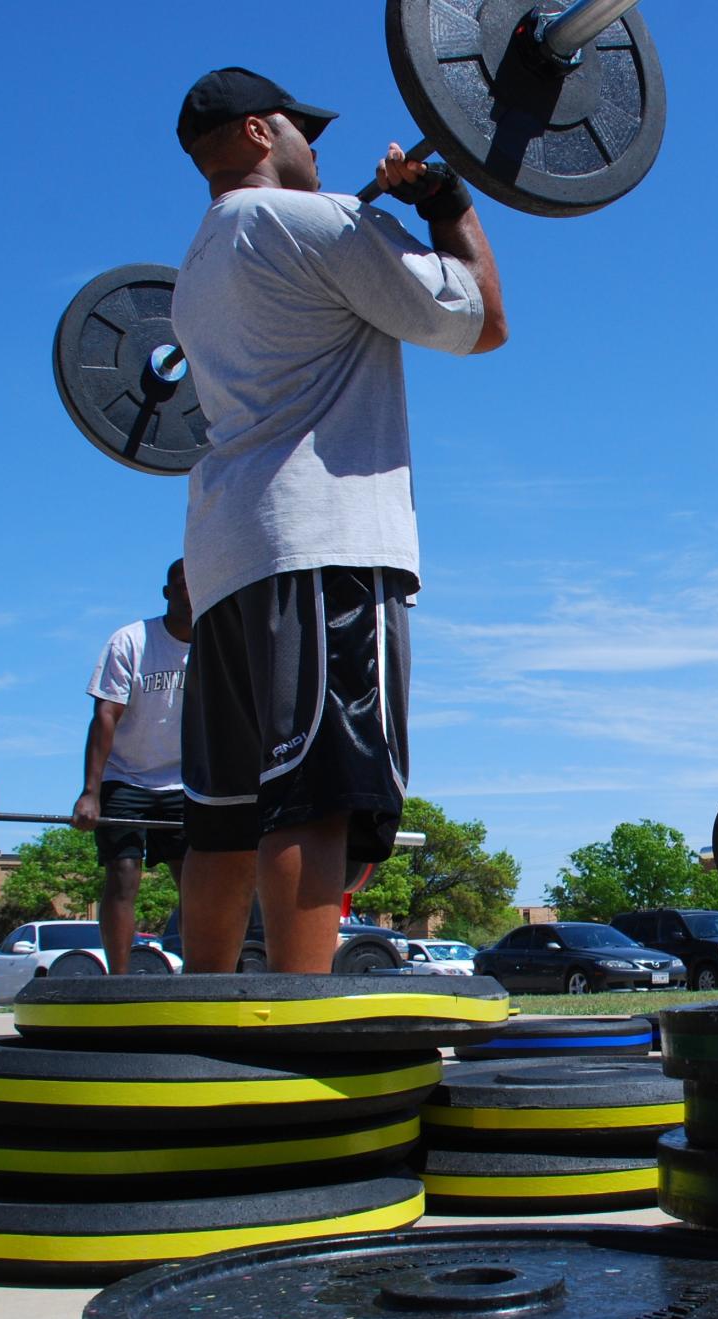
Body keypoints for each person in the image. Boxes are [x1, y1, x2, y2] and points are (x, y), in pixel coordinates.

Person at [169, 67, 507, 973]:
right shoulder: (311, 224)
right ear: (253, 133)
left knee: (226, 818)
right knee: (315, 798)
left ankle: (197, 1033)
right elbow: (481, 321)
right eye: (299, 129)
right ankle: (295, 1025)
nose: (315, 147)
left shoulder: (196, 268)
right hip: (321, 542)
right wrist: (445, 203)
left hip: (225, 558)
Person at [71, 561, 191, 973]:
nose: (190, 593)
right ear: (166, 592)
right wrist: (91, 792)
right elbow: (105, 715)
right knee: (123, 875)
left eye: (198, 585)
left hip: (185, 781)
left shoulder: (220, 644)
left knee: (196, 883)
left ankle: (203, 977)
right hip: (126, 777)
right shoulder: (131, 641)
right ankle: (118, 981)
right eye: (180, 585)